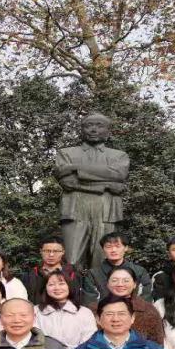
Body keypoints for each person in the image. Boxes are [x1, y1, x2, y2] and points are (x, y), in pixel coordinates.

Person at [55, 112, 131, 272]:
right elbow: (67, 181)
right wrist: (106, 185)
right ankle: (72, 288)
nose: (94, 129)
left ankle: (100, 289)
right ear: (82, 130)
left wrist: (76, 168)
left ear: (108, 130)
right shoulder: (66, 153)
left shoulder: (119, 156)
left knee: (103, 259)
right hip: (74, 209)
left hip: (107, 210)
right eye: (89, 126)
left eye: (99, 125)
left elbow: (119, 175)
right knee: (72, 260)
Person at [93, 267, 164, 345]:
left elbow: (157, 343)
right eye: (114, 280)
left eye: (126, 280)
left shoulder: (148, 310)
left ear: (134, 284)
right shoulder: (93, 310)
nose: (120, 284)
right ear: (107, 284)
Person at [34, 271, 98, 349]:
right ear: (45, 288)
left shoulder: (84, 312)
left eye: (61, 284)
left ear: (69, 286)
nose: (57, 288)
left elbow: (89, 341)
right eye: (51, 285)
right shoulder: (35, 311)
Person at [83, 232, 152, 302]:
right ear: (103, 249)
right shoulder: (93, 274)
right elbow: (91, 301)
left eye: (118, 246)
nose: (113, 250)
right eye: (109, 247)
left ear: (126, 248)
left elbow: (145, 299)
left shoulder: (139, 272)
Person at [22, 236, 84, 306]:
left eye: (56, 251)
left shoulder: (73, 274)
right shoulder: (30, 276)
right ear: (41, 251)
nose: (51, 255)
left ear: (63, 252)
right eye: (47, 251)